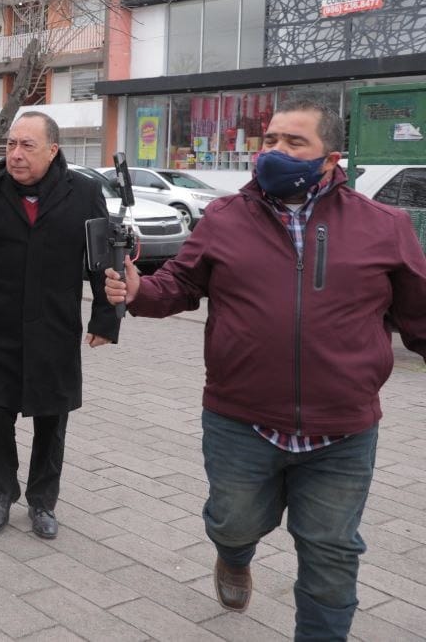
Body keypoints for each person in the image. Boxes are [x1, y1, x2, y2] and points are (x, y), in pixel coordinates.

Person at [103, 100, 426, 639]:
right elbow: (180, 285)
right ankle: (233, 556)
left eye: (294, 143)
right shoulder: (225, 217)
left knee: (331, 552)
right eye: (271, 140)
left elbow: (419, 314)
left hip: (342, 432)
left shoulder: (385, 226)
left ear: (331, 159)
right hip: (240, 422)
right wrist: (139, 290)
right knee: (233, 524)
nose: (275, 151)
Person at [0, 112, 118, 541]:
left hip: (55, 325)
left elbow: (103, 262)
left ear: (53, 150)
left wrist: (105, 319)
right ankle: (2, 490)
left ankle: (43, 500)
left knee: (51, 418)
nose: (15, 154)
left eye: (27, 146)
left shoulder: (84, 192)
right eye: (11, 144)